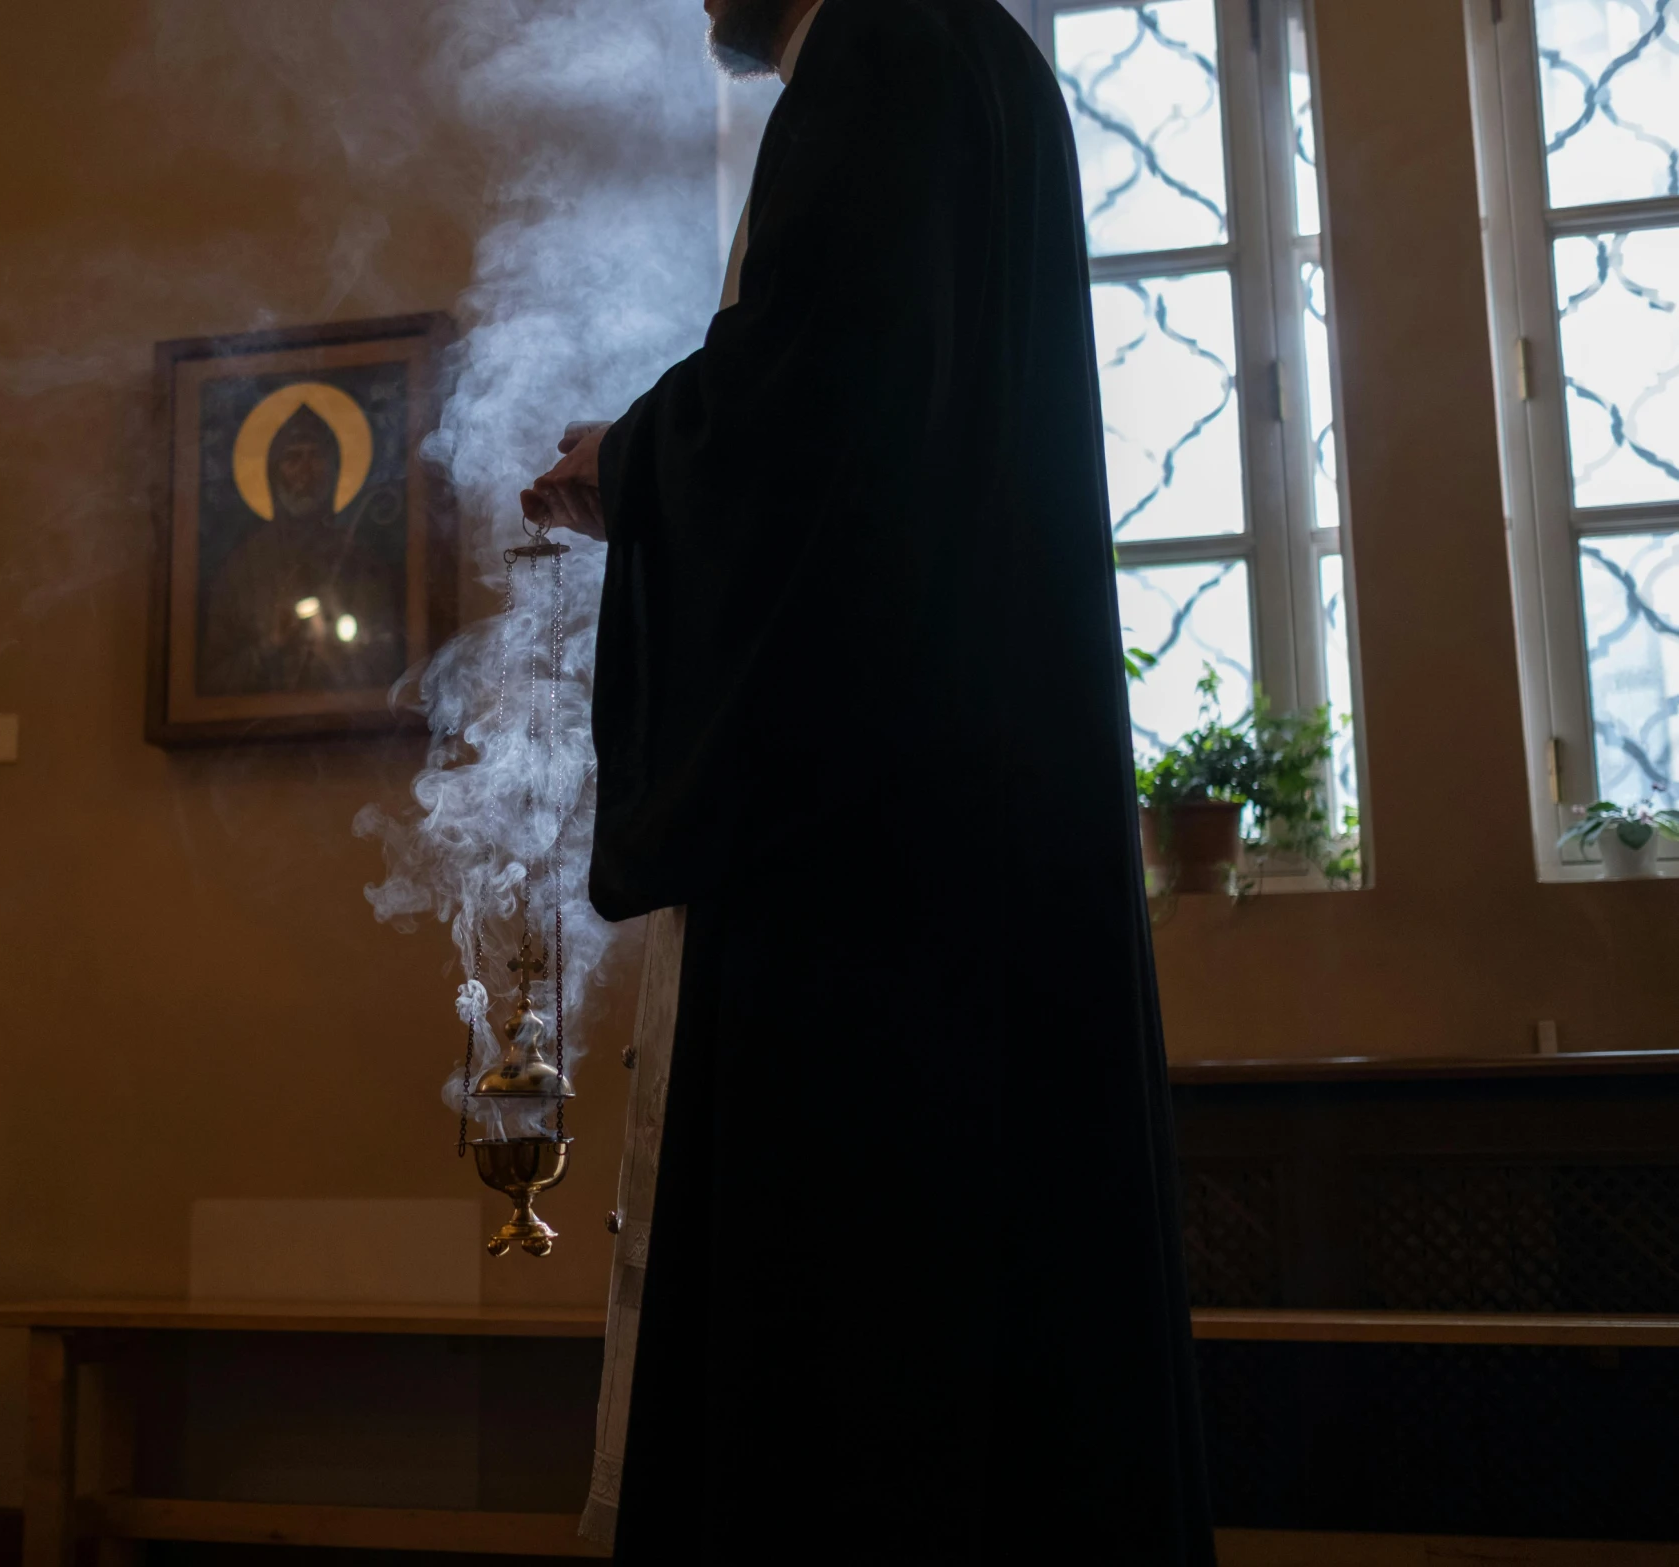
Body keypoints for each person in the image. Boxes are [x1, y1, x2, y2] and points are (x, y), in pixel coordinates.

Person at [523, 0, 1215, 1559]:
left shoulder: (882, 60)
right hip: (984, 826)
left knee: (859, 1376)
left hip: (874, 877)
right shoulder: (982, 60)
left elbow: (803, 423)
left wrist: (627, 468)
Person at [198, 400, 403, 697]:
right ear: (273, 471)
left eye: (316, 457)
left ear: (334, 470)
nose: (305, 472)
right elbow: (213, 680)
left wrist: (337, 655)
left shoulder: (360, 562)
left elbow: (389, 671)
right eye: (292, 458)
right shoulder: (243, 567)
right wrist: (271, 646)